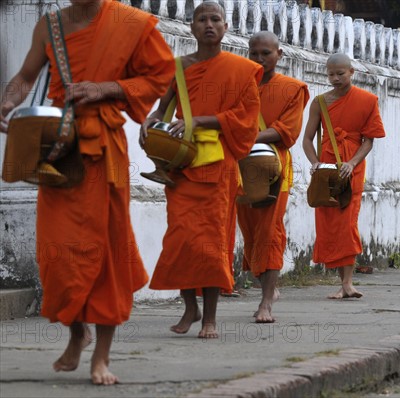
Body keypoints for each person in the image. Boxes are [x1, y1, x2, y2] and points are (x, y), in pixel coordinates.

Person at [0, 0, 174, 385]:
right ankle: (78, 332)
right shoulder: (50, 26)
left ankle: (101, 356)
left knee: (108, 254)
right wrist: (9, 100)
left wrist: (107, 88)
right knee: (57, 256)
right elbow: (27, 76)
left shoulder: (129, 23)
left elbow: (160, 77)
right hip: (58, 149)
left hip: (104, 153)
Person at [142, 1, 262, 338]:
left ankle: (210, 317)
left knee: (211, 242)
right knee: (181, 240)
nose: (209, 24)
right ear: (192, 28)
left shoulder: (240, 69)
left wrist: (201, 121)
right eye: (201, 19)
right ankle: (190, 307)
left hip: (216, 167)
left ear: (226, 27)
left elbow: (247, 119)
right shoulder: (178, 67)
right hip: (181, 166)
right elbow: (162, 109)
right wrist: (148, 124)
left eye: (215, 19)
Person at [236, 32, 309, 322]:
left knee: (270, 230)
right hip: (240, 165)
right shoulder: (237, 85)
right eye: (254, 53)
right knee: (250, 231)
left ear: (279, 54)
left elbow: (286, 131)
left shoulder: (292, 88)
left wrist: (247, 136)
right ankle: (268, 286)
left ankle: (265, 302)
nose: (259, 59)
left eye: (266, 53)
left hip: (273, 166)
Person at [302, 53, 385, 299]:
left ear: (352, 72)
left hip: (352, 169)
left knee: (348, 224)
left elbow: (368, 141)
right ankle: (342, 282)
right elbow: (307, 139)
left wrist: (352, 162)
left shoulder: (367, 100)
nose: (335, 78)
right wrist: (315, 163)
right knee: (329, 225)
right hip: (327, 170)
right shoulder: (319, 102)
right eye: (331, 74)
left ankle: (347, 283)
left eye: (340, 73)